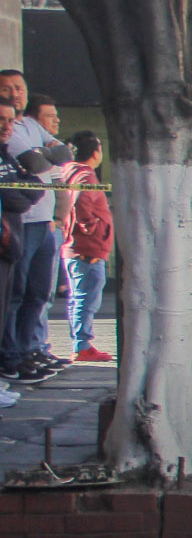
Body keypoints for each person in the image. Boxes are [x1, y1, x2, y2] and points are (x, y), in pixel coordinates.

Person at [0, 93, 68, 381]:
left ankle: (30, 351)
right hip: (18, 229)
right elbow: (25, 185)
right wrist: (42, 157)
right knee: (14, 296)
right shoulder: (18, 140)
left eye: (10, 120)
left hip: (43, 224)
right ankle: (10, 357)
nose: (8, 126)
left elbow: (40, 179)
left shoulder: (24, 130)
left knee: (39, 294)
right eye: (2, 120)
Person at [62, 132, 111, 363]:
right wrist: (91, 229)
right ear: (95, 152)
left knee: (78, 297)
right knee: (86, 299)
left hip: (74, 246)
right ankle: (81, 345)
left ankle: (80, 343)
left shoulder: (68, 171)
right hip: (87, 248)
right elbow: (83, 204)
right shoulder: (86, 176)